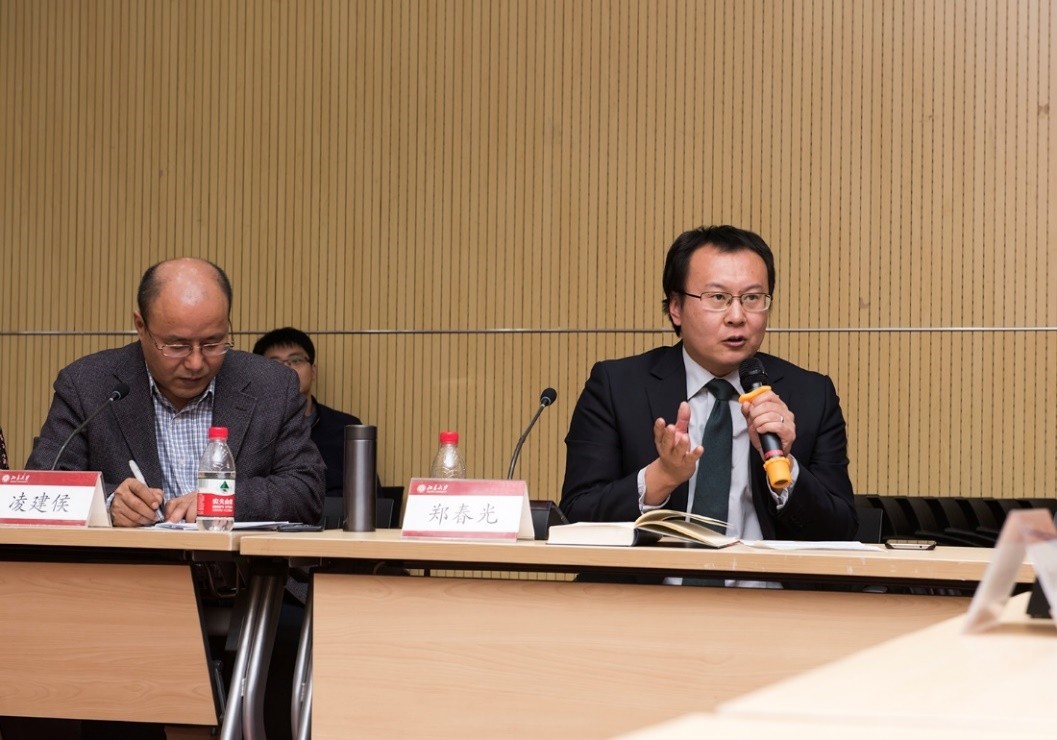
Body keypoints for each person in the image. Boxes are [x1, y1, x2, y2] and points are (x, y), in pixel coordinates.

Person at [560, 225, 857, 543]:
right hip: (655, 577)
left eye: (752, 298)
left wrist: (785, 465)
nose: (737, 316)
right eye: (718, 298)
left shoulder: (811, 395)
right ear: (676, 307)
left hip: (764, 577)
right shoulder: (616, 387)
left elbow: (843, 532)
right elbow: (576, 516)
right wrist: (662, 477)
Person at [26, 258, 326, 526]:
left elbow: (306, 491)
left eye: (212, 343)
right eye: (177, 346)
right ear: (141, 326)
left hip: (241, 569)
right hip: (128, 568)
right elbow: (42, 488)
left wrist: (220, 501)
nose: (196, 363)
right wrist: (109, 503)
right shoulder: (88, 385)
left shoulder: (271, 386)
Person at [252, 326, 367, 499]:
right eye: (275, 363)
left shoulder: (346, 428)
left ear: (313, 372)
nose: (287, 369)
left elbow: (369, 497)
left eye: (296, 360)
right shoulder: (248, 429)